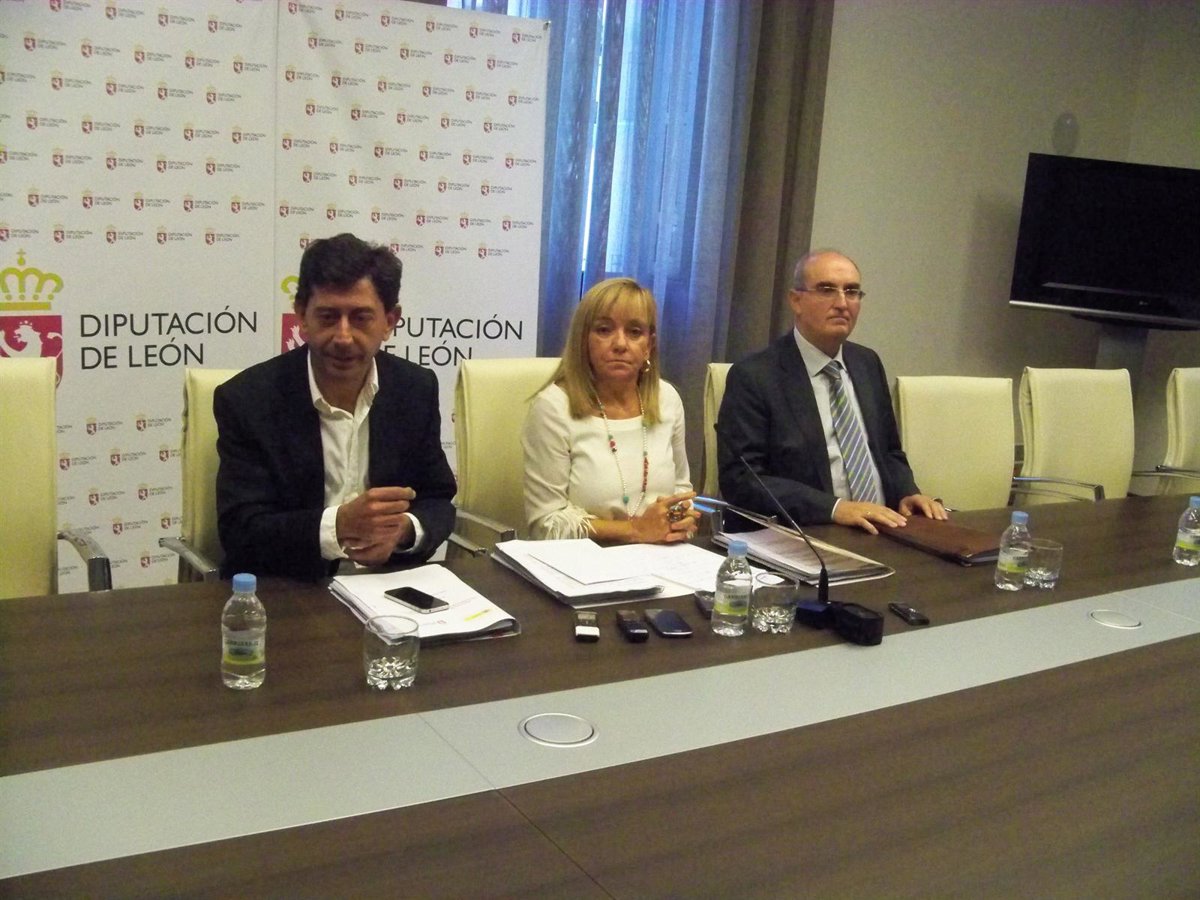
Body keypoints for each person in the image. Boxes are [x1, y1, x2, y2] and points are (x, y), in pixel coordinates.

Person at [214, 233, 456, 580]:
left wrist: (403, 530)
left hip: (387, 587)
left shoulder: (414, 388)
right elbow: (241, 531)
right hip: (289, 587)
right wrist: (338, 526)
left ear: (390, 321)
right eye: (328, 317)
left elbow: (438, 499)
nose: (343, 337)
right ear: (302, 315)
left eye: (360, 318)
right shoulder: (248, 400)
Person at [718, 250, 946, 534]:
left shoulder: (867, 363)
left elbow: (888, 452)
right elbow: (742, 479)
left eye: (852, 291)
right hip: (810, 532)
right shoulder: (755, 376)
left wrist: (907, 492)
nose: (842, 303)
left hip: (885, 528)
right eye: (827, 290)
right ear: (796, 300)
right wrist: (835, 508)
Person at [522, 277, 700, 542]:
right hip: (584, 559)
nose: (620, 344)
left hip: (661, 554)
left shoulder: (667, 399)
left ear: (649, 345)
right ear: (583, 340)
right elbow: (545, 523)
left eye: (634, 332)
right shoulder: (553, 407)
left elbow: (681, 489)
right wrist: (635, 530)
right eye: (604, 330)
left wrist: (680, 518)